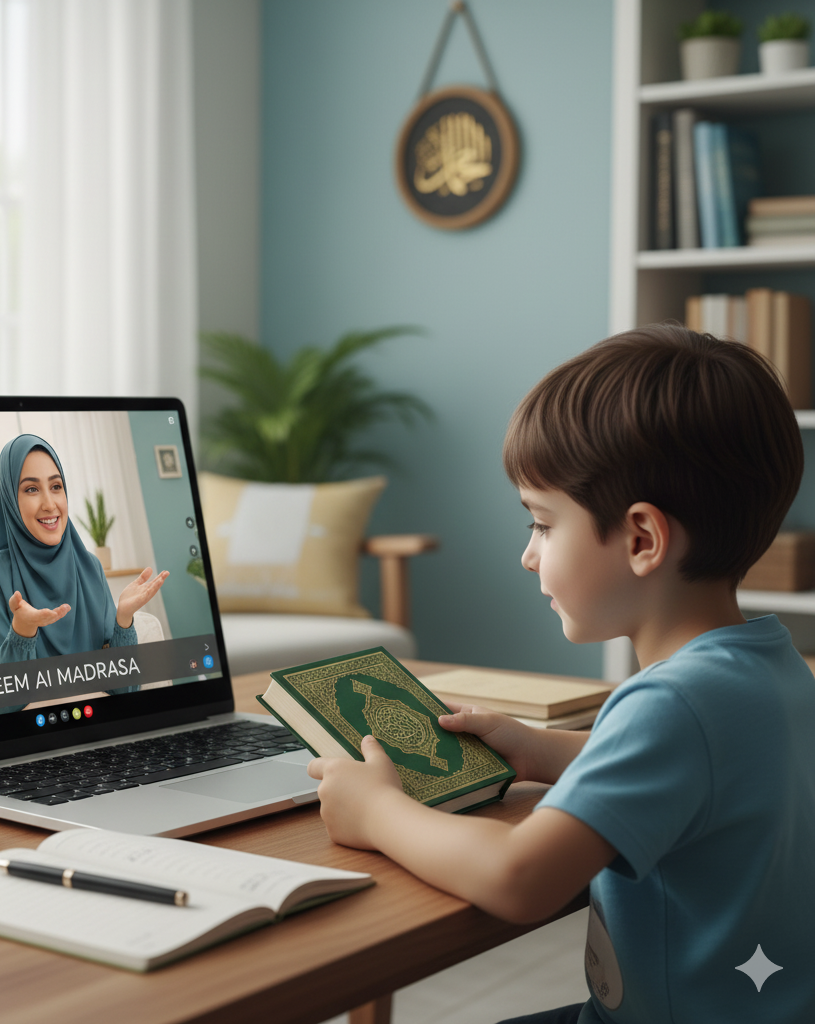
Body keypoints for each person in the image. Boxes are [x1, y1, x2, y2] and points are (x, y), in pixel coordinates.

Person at [307, 325, 815, 1023]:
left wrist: (377, 812)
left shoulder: (672, 704)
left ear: (641, 539)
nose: (528, 555)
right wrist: (545, 751)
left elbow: (520, 878)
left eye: (542, 524)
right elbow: (708, 776)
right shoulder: (771, 668)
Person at [0, 434, 168, 711]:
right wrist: (23, 629)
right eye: (31, 489)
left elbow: (124, 689)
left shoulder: (90, 567)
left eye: (56, 486)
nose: (49, 503)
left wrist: (124, 619)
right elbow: (1, 706)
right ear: (10, 499)